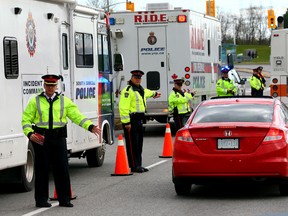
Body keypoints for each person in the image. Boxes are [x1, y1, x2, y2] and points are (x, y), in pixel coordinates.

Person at [22, 74, 101, 208]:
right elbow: (26, 120)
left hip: (58, 138)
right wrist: (29, 133)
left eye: (53, 85)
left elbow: (77, 116)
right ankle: (41, 200)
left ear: (56, 86)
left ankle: (64, 199)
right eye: (48, 85)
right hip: (42, 139)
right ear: (44, 85)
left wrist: (90, 126)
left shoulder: (64, 101)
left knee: (62, 168)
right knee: (42, 169)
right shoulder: (35, 101)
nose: (50, 88)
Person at [119, 70, 161, 173]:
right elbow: (123, 107)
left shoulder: (140, 89)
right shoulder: (128, 91)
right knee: (132, 144)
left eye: (139, 78)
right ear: (132, 78)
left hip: (139, 119)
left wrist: (155, 93)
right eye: (136, 78)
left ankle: (139, 164)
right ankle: (134, 165)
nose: (138, 80)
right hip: (131, 120)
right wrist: (126, 123)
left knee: (139, 143)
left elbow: (148, 92)